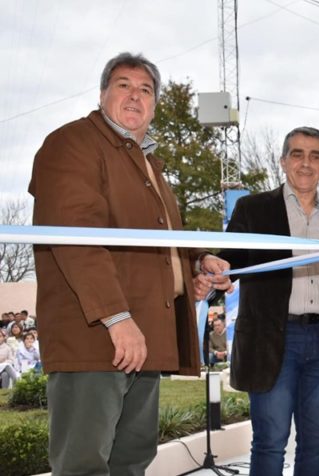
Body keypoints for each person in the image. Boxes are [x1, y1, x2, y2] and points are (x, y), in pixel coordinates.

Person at [28, 52, 232, 475]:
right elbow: (75, 238)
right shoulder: (72, 144)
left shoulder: (147, 164)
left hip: (144, 339)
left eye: (145, 89)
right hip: (97, 338)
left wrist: (193, 265)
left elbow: (151, 239)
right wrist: (117, 318)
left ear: (154, 104)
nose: (135, 96)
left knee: (132, 461)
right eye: (123, 85)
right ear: (103, 94)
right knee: (84, 465)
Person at [203, 126, 319, 476]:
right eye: (297, 154)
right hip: (272, 342)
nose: (306, 163)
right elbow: (230, 262)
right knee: (270, 442)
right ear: (282, 161)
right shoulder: (253, 208)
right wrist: (218, 275)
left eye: (315, 156)